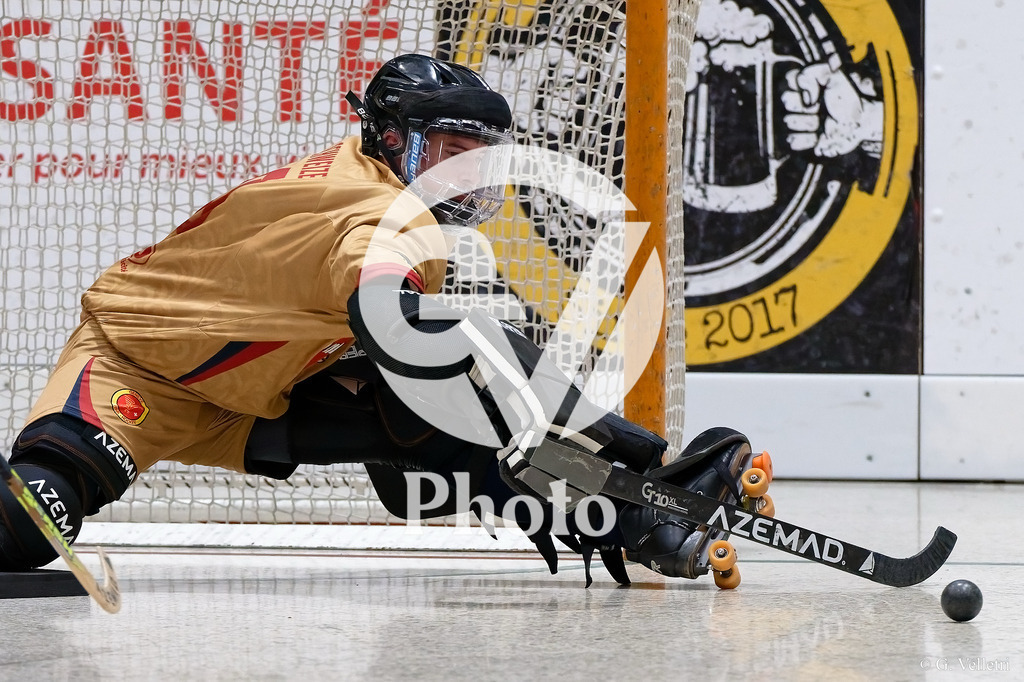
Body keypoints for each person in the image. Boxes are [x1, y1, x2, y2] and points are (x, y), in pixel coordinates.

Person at [0, 54, 768, 586]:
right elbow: (402, 322)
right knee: (29, 521)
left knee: (438, 416)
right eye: (450, 150)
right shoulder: (381, 218)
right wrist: (615, 433)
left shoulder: (376, 180)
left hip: (262, 381)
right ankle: (642, 499)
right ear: (394, 139)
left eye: (481, 153)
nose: (469, 171)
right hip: (136, 364)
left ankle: (628, 520)